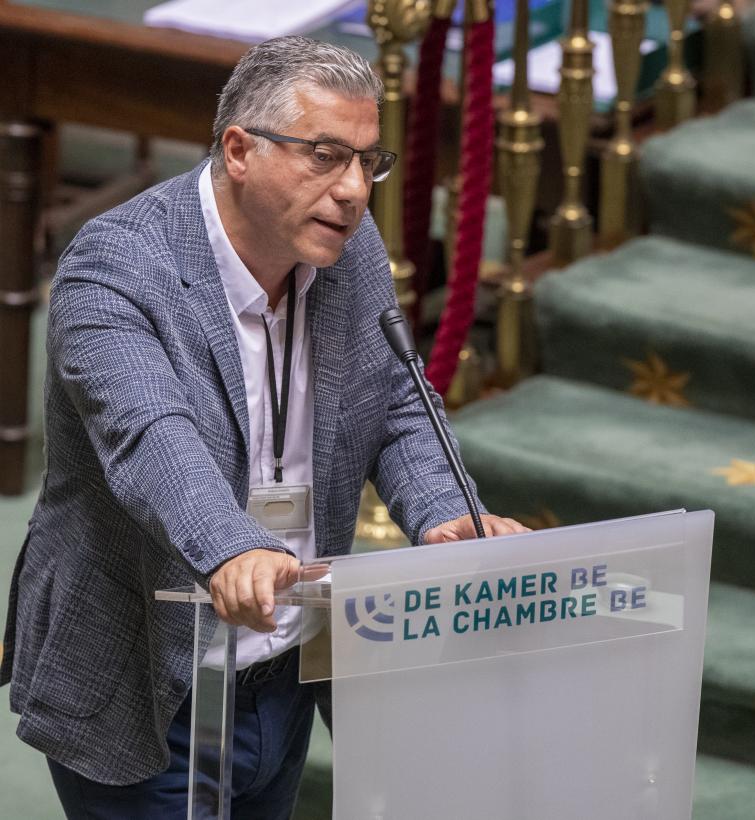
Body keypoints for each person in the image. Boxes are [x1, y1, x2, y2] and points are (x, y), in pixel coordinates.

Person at [0, 36, 527, 818]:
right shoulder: (115, 269)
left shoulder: (348, 251)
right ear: (240, 150)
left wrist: (446, 509)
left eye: (367, 162)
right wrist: (234, 544)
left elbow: (395, 398)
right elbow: (151, 435)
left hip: (288, 665)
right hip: (146, 675)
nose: (353, 191)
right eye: (325, 155)